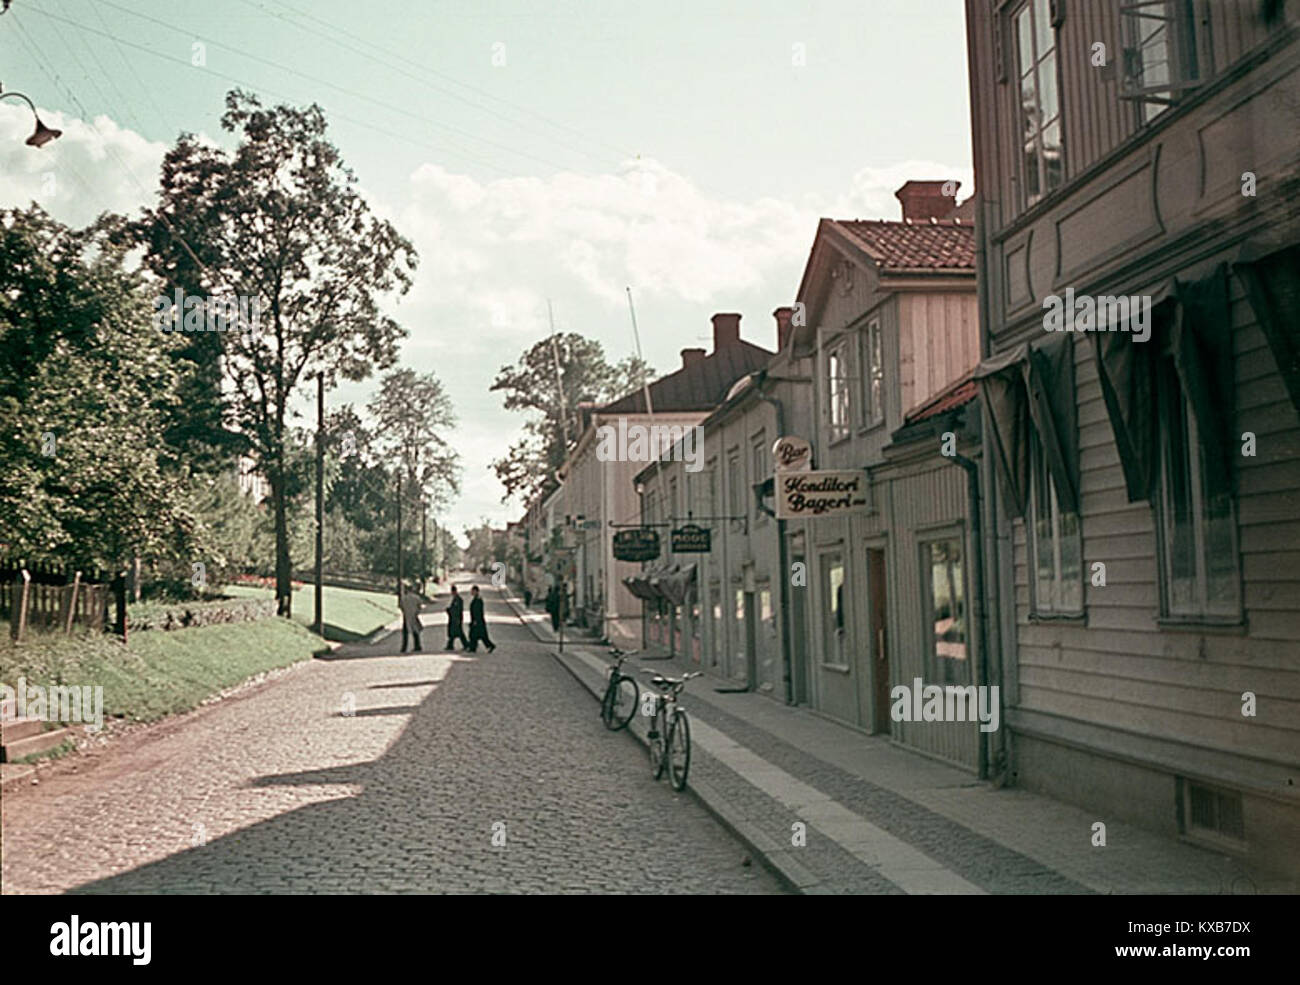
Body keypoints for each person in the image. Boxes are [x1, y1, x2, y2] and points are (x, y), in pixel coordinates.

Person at [467, 585, 495, 652]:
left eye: (473, 591)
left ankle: (490, 646)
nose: (471, 592)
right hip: (477, 621)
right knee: (476, 635)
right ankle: (473, 647)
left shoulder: (478, 600)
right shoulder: (476, 599)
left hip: (478, 621)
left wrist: (475, 620)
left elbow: (478, 611)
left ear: (476, 591)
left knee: (477, 635)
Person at [399, 583, 423, 653]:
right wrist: (417, 612)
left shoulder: (404, 598)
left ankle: (404, 647)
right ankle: (417, 645)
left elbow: (401, 607)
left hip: (406, 616)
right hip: (414, 615)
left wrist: (405, 611)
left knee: (405, 633)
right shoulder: (416, 598)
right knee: (415, 631)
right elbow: (420, 606)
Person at [445, 585, 468, 651]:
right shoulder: (455, 599)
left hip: (456, 618)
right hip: (454, 618)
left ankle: (465, 644)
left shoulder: (458, 599)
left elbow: (457, 610)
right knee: (454, 632)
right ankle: (450, 645)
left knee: (459, 632)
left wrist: (450, 611)